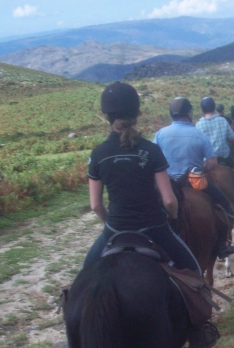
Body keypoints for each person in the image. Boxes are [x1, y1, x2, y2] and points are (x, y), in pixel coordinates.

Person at [82, 82, 201, 273]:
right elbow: (169, 200)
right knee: (195, 271)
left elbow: (96, 205)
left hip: (115, 230)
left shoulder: (98, 154)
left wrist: (112, 225)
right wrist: (172, 217)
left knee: (84, 275)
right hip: (154, 228)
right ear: (137, 114)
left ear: (106, 116)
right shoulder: (151, 150)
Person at [154, 97, 234, 258]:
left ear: (172, 114)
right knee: (224, 204)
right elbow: (212, 162)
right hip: (194, 182)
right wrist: (200, 168)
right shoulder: (198, 134)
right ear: (189, 113)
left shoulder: (160, 134)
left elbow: (153, 161)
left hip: (168, 185)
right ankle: (221, 246)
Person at [196, 97, 234, 170]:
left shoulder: (198, 125)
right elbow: (232, 137)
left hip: (207, 161)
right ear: (214, 107)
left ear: (202, 109)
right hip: (225, 157)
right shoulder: (222, 120)